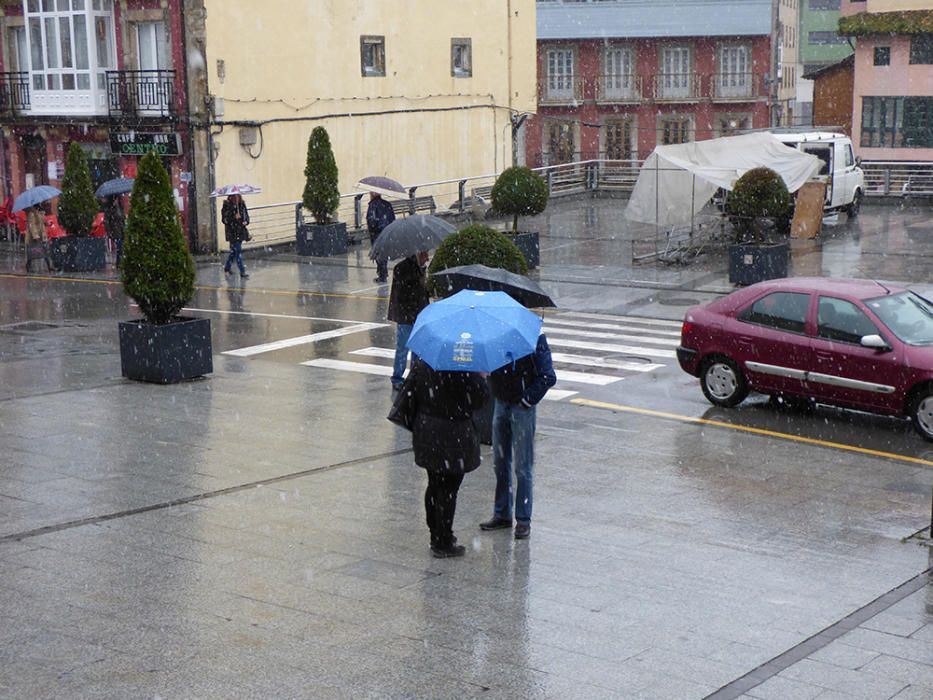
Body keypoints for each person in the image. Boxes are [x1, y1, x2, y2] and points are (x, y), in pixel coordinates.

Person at [409, 358, 489, 558]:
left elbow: (413, 390)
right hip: (453, 434)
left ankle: (435, 534)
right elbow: (480, 399)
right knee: (449, 487)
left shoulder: (425, 359)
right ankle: (443, 540)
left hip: (428, 430)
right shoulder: (463, 364)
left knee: (434, 483)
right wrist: (480, 378)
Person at [481, 334, 557, 540]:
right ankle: (502, 513)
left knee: (523, 467)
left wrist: (527, 399)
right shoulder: (496, 335)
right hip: (501, 402)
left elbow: (548, 375)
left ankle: (523, 520)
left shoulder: (533, 337)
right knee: (500, 462)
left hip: (521, 408)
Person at [387, 251, 430, 390]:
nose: (427, 258)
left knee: (417, 349)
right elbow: (403, 294)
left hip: (418, 315)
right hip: (407, 316)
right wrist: (420, 282)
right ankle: (397, 379)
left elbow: (423, 294)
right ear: (419, 254)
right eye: (425, 255)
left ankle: (414, 377)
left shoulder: (420, 269)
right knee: (403, 349)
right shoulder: (402, 268)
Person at [366, 192, 394, 283]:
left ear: (373, 194)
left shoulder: (372, 206)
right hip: (387, 232)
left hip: (377, 234)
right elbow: (392, 219)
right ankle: (383, 273)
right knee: (384, 254)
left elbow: (371, 222)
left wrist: (373, 228)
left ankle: (382, 274)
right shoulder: (387, 204)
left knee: (379, 255)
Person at [222, 193, 250, 278]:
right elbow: (224, 220)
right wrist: (234, 217)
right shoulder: (226, 206)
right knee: (238, 251)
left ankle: (227, 268)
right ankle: (242, 271)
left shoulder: (242, 205)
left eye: (238, 196)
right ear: (230, 197)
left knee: (234, 252)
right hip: (232, 233)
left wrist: (246, 221)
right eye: (234, 197)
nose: (236, 198)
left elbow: (246, 216)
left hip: (240, 232)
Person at [25, 205, 51, 272]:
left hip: (41, 236)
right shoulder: (32, 215)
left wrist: (46, 223)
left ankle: (49, 266)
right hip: (33, 237)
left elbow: (42, 224)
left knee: (44, 251)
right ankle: (28, 265)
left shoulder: (41, 213)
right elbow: (32, 226)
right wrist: (35, 235)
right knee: (32, 252)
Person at [104, 195, 125, 268]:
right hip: (115, 231)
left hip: (122, 230)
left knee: (122, 247)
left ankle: (120, 262)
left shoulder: (121, 207)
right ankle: (119, 263)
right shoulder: (110, 209)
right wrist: (109, 232)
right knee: (119, 247)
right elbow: (106, 222)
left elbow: (123, 218)